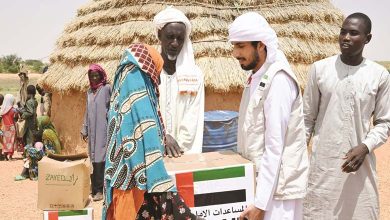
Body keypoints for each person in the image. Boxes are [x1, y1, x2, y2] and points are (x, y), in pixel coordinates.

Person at [303, 13, 390, 219]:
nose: (346, 37)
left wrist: (365, 147)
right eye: (343, 31)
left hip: (359, 168)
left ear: (367, 39)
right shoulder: (320, 69)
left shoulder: (379, 75)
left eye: (354, 33)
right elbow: (306, 119)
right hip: (323, 167)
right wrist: (297, 159)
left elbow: (384, 122)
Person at [228, 12, 309, 220]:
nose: (235, 53)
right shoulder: (256, 77)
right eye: (234, 46)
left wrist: (261, 203)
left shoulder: (278, 80)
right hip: (260, 187)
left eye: (241, 46)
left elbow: (275, 146)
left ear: (261, 45)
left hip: (277, 193)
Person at [103, 43, 196, 220]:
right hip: (134, 184)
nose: (157, 77)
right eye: (156, 71)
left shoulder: (124, 80)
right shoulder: (137, 82)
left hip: (121, 179)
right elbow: (146, 129)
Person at [153, 6, 205, 156]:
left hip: (183, 154)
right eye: (170, 37)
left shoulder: (195, 75)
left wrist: (177, 147)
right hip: (154, 152)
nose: (175, 43)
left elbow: (192, 117)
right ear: (159, 35)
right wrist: (162, 138)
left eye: (180, 39)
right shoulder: (148, 72)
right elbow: (146, 112)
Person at [81, 64, 111, 202]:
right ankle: (95, 188)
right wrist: (85, 129)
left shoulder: (106, 89)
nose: (94, 78)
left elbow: (112, 108)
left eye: (96, 75)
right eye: (91, 76)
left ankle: (99, 190)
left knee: (101, 158)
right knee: (94, 159)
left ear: (101, 75)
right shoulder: (89, 92)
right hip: (92, 130)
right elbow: (87, 112)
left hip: (103, 129)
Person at [0, 94, 17, 161]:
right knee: (11, 141)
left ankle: (5, 156)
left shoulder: (2, 110)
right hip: (11, 127)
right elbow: (16, 117)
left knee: (5, 142)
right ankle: (10, 156)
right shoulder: (13, 110)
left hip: (4, 127)